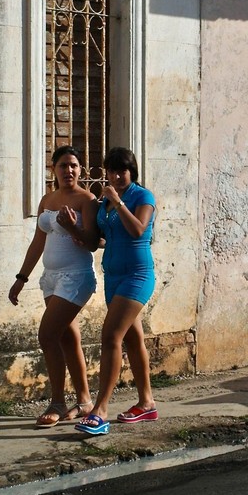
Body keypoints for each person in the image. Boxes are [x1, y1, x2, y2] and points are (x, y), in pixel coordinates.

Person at [9, 146, 98, 427]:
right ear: (54, 169)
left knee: (47, 335)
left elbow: (93, 242)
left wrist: (73, 227)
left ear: (81, 169)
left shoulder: (88, 200)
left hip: (76, 277)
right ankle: (84, 401)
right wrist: (21, 277)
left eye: (73, 165)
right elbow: (38, 241)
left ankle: (57, 401)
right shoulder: (47, 199)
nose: (68, 170)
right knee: (66, 338)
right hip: (50, 278)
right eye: (63, 165)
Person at [74, 147, 159, 436]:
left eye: (122, 170)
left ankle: (100, 410)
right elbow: (96, 240)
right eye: (111, 170)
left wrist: (118, 202)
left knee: (111, 336)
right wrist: (72, 228)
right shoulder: (103, 204)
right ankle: (147, 403)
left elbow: (137, 230)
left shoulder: (141, 197)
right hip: (113, 276)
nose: (117, 175)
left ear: (131, 172)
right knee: (133, 339)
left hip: (138, 275)